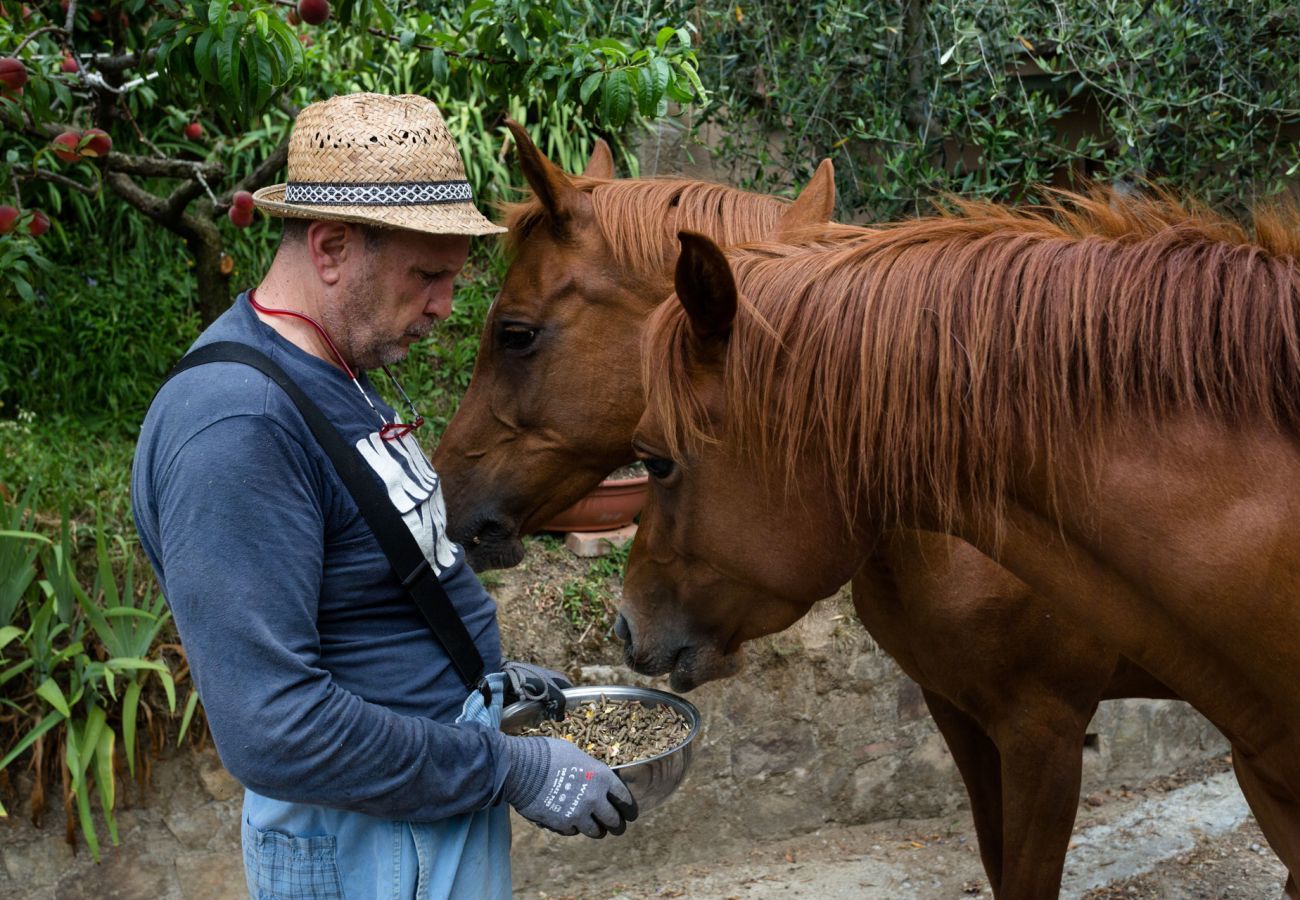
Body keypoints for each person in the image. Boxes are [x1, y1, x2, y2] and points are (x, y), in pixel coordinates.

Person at [131, 92, 636, 900]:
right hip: (364, 841)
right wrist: (507, 765)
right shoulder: (238, 423)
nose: (444, 308)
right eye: (427, 277)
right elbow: (275, 730)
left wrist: (484, 685)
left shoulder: (337, 376)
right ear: (330, 246)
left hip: (416, 812)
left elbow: (378, 586)